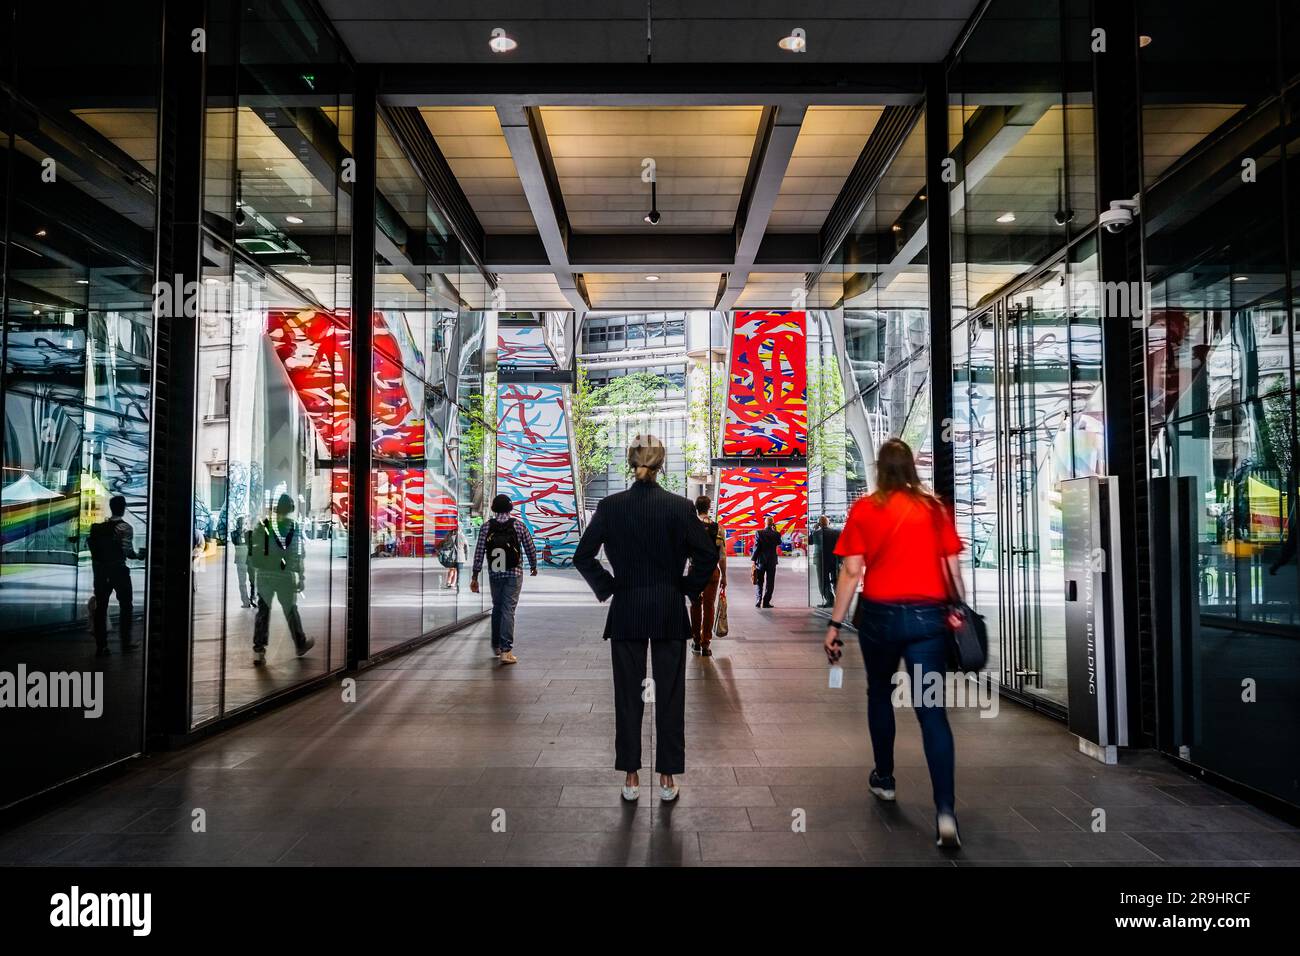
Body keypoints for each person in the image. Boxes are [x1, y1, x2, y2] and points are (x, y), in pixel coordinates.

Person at [823, 438, 965, 849]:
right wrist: (958, 609)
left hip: (880, 620)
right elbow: (951, 565)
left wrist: (834, 625)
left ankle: (884, 778)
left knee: (879, 694)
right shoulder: (935, 509)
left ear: (880, 470)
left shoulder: (866, 509)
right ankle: (945, 813)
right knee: (932, 712)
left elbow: (851, 572)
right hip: (928, 622)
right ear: (913, 469)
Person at [574, 435, 717, 803]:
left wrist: (610, 587)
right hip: (669, 610)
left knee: (627, 695)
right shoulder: (680, 507)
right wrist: (685, 588)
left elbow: (583, 556)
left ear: (630, 463)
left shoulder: (610, 507)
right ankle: (667, 776)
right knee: (669, 694)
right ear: (661, 465)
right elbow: (706, 556)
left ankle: (631, 775)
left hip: (627, 611)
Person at [470, 494, 537, 664]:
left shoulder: (486, 527)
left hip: (495, 572)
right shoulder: (518, 526)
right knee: (509, 609)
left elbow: (479, 552)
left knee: (497, 607)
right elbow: (530, 547)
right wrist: (533, 565)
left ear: (493, 508)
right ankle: (506, 651)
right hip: (514, 573)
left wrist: (475, 575)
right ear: (510, 508)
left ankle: (497, 646)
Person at [251, 493, 313, 665]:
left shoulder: (263, 525)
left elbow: (254, 549)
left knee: (263, 612)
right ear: (290, 510)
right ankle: (300, 643)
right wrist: (301, 577)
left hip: (263, 575)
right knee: (291, 610)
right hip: (284, 575)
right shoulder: (292, 526)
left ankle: (258, 650)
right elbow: (297, 554)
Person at [87, 494, 140, 657]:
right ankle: (125, 642)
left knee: (101, 608)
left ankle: (101, 646)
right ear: (123, 508)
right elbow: (128, 552)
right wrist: (139, 556)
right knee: (126, 605)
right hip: (118, 570)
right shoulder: (125, 528)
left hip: (101, 572)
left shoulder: (99, 528)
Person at [689, 494, 726, 657]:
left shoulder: (690, 526)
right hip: (712, 572)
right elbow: (722, 555)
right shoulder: (718, 528)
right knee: (709, 606)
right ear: (709, 507)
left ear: (696, 508)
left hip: (696, 570)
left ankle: (696, 641)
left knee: (696, 605)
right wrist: (724, 575)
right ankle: (706, 644)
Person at [810, 515, 841, 608]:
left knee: (823, 581)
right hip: (834, 559)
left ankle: (830, 600)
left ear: (819, 523)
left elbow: (810, 541)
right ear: (829, 523)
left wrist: (814, 529)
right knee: (836, 580)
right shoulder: (837, 532)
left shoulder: (816, 533)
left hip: (821, 560)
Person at [751, 517, 782, 608]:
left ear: (765, 523)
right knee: (770, 582)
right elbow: (779, 542)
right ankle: (766, 602)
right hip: (772, 561)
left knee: (759, 581)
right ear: (773, 524)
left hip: (761, 561)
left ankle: (758, 600)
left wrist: (753, 560)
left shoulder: (759, 533)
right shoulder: (776, 534)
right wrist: (775, 530)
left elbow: (756, 547)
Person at [231, 514, 257, 609]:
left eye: (243, 523)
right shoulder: (234, 533)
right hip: (241, 561)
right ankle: (246, 601)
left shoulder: (250, 533)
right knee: (242, 582)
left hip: (249, 560)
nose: (242, 525)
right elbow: (237, 542)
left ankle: (253, 599)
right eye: (240, 523)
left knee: (253, 581)